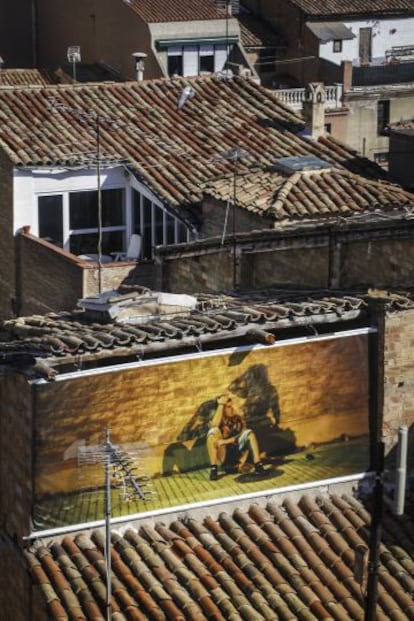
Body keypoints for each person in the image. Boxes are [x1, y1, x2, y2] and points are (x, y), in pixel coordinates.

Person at [206, 394, 265, 481]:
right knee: (211, 433)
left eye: (231, 406)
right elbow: (214, 426)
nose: (232, 409)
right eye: (229, 407)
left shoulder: (237, 419)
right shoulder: (215, 421)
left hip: (235, 454)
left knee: (249, 433)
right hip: (221, 456)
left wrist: (242, 462)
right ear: (222, 410)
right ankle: (214, 469)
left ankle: (258, 465)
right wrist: (221, 404)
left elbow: (244, 439)